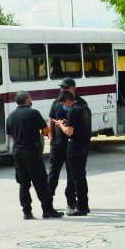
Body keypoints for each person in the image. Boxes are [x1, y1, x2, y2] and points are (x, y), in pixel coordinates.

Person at [6, 91, 63, 219]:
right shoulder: (33, 113)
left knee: (23, 183)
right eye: (30, 98)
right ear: (27, 100)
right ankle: (47, 210)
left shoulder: (11, 116)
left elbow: (9, 136)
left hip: (17, 152)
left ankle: (27, 211)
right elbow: (45, 130)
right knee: (41, 182)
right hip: (31, 151)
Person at [47, 77, 88, 211]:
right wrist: (51, 137)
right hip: (58, 145)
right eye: (61, 88)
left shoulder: (80, 104)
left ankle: (71, 202)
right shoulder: (57, 102)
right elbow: (51, 120)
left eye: (65, 88)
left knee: (73, 176)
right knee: (53, 174)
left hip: (73, 146)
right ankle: (48, 202)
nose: (62, 90)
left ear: (72, 88)